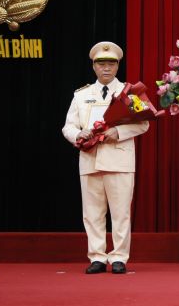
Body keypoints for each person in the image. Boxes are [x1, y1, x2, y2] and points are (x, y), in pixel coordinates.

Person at [62, 42, 149, 274]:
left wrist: (119, 132)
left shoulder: (129, 92)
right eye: (101, 64)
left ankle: (119, 256)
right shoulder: (81, 95)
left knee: (120, 212)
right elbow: (68, 126)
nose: (106, 68)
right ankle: (97, 256)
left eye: (111, 63)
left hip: (119, 160)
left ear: (118, 65)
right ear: (94, 66)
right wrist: (78, 134)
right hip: (90, 159)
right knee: (92, 213)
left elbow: (144, 123)